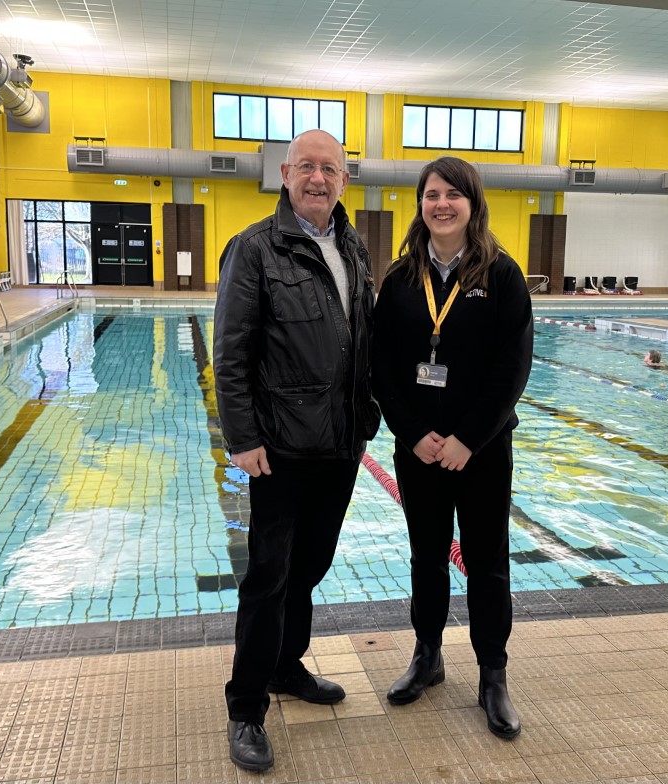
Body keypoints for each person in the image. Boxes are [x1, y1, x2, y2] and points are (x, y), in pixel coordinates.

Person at [213, 129, 380, 772]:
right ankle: (246, 706)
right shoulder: (254, 248)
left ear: (344, 180)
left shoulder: (351, 245)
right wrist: (243, 436)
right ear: (284, 174)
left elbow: (361, 338)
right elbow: (230, 351)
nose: (318, 178)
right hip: (280, 445)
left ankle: (287, 667)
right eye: (306, 167)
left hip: (340, 443)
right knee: (268, 577)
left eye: (330, 169)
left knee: (310, 566)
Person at [371, 156, 533, 739]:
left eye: (453, 195)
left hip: (481, 452)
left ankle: (494, 674)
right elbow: (382, 366)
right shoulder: (397, 279)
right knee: (426, 556)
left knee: (487, 563)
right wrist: (412, 433)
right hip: (420, 452)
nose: (441, 204)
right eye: (431, 195)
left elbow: (513, 369)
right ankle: (427, 655)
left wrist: (469, 437)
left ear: (472, 203)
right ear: (420, 204)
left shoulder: (502, 275)